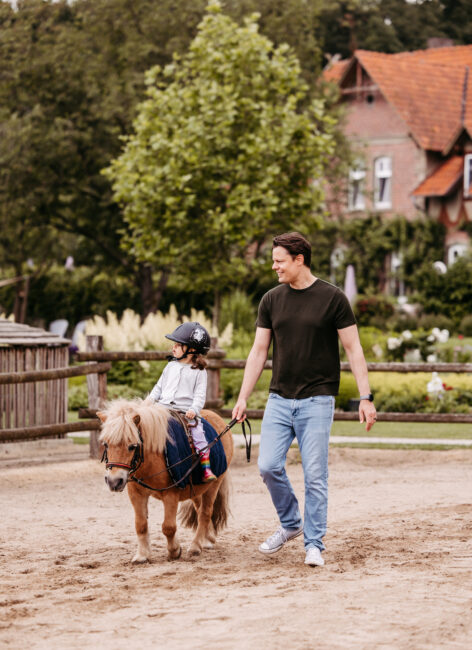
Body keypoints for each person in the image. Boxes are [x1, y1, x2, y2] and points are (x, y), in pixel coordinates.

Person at [232, 232, 377, 567]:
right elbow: (258, 352)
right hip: (279, 399)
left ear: (299, 259)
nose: (274, 266)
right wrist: (242, 397)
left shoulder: (333, 298)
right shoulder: (270, 300)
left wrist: (365, 398)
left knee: (315, 475)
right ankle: (291, 523)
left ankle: (314, 543)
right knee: (267, 466)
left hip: (318, 400)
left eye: (279, 260)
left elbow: (354, 350)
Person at [149, 321, 216, 482]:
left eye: (178, 345)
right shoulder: (170, 366)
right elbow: (158, 388)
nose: (173, 348)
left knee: (199, 435)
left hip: (185, 411)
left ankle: (206, 468)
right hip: (162, 409)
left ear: (191, 350)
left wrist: (194, 409)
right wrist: (147, 402)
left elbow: (200, 396)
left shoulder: (199, 372)